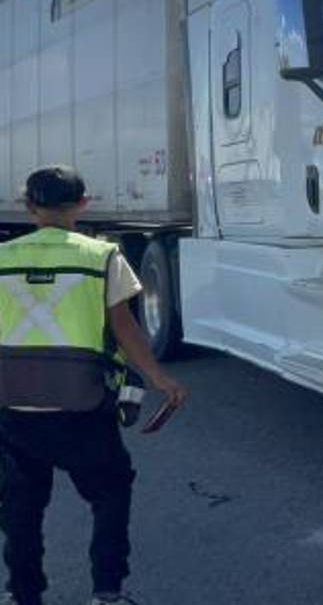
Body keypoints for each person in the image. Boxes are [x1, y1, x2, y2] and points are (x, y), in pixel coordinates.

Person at [0, 167, 188, 605]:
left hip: (12, 406)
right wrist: (161, 379)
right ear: (83, 204)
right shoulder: (103, 256)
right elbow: (124, 327)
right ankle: (107, 592)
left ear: (28, 206)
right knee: (110, 490)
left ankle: (21, 593)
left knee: (19, 507)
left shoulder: (3, 257)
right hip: (81, 403)